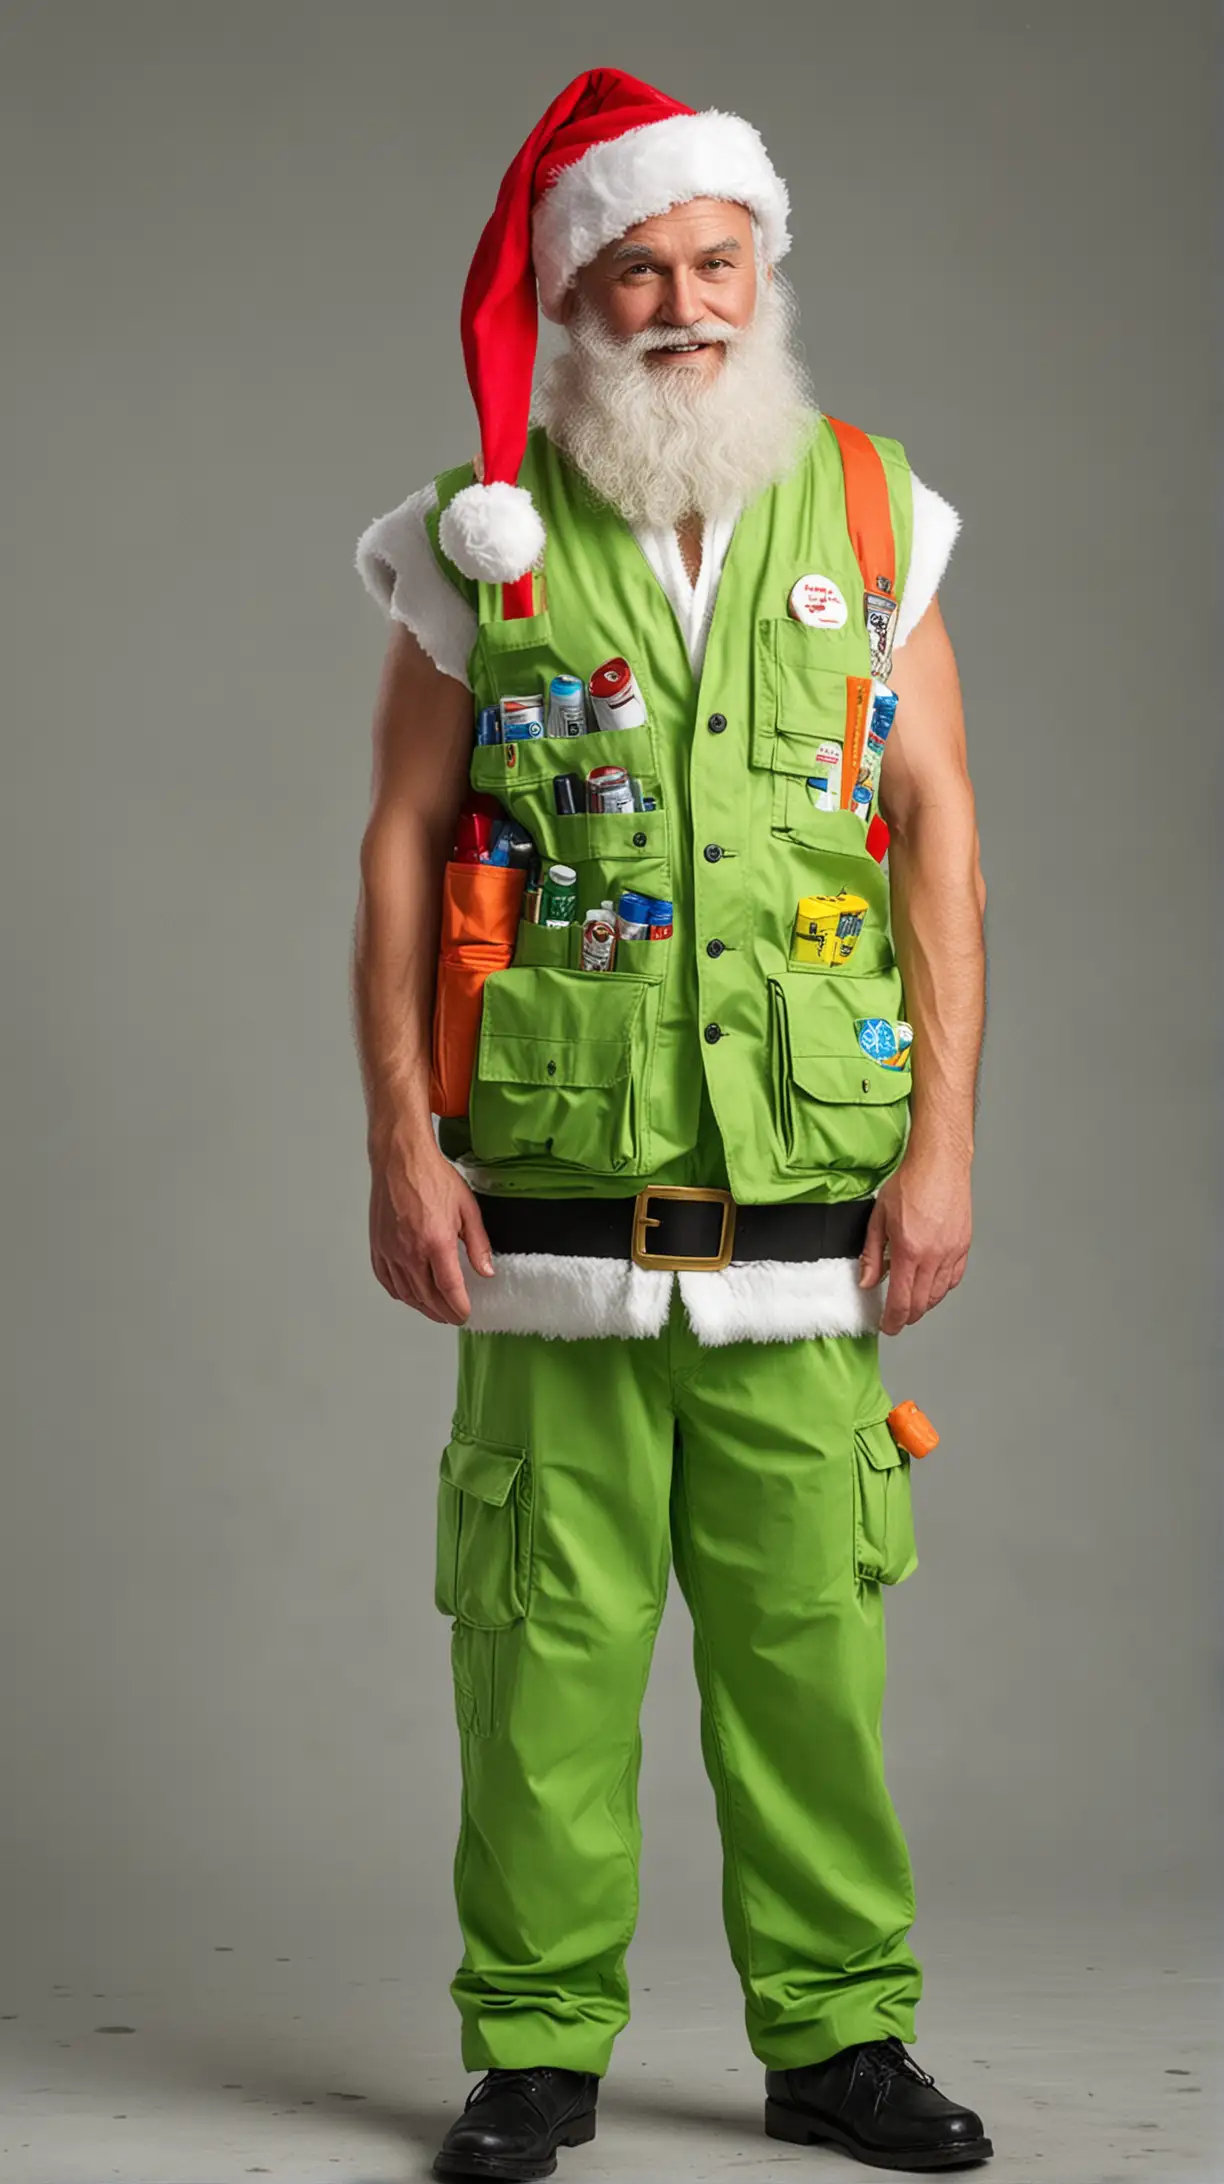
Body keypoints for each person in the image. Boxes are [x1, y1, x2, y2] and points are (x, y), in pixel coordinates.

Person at [351, 67, 989, 2180]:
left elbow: (938, 841)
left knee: (812, 1659)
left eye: (718, 264)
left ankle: (837, 2041)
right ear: (576, 295)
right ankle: (532, 2058)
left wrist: (946, 1146)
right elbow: (400, 843)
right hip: (551, 1204)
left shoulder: (882, 519)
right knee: (540, 1664)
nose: (686, 304)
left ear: (767, 275)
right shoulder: (484, 531)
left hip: (809, 1214)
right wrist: (397, 1147)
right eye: (638, 270)